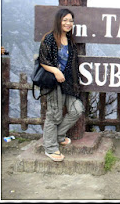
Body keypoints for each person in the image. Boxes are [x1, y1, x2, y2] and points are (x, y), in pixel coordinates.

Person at [38, 8, 84, 162]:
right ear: (58, 21)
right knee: (54, 114)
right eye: (65, 20)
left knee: (77, 110)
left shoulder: (69, 40)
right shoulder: (50, 38)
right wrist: (56, 71)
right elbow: (43, 60)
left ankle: (58, 136)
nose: (68, 23)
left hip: (68, 84)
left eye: (70, 20)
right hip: (53, 83)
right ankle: (50, 148)